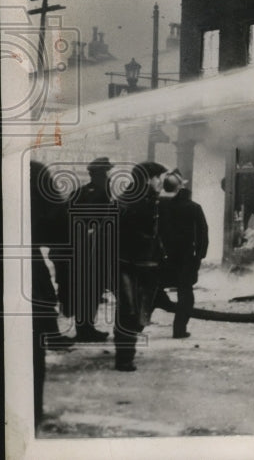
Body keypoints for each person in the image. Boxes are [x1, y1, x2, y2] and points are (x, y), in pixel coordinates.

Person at [114, 161, 168, 372]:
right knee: (129, 312)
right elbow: (130, 234)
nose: (162, 183)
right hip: (129, 265)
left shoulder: (144, 199)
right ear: (148, 179)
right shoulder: (134, 201)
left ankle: (125, 353)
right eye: (159, 179)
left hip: (142, 264)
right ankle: (124, 358)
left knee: (136, 312)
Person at [57, 156, 115, 342]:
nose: (111, 176)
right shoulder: (100, 192)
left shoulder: (80, 191)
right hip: (89, 250)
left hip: (78, 249)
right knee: (91, 289)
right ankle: (86, 329)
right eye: (108, 172)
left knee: (87, 290)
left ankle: (86, 327)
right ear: (102, 174)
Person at [30, 161, 67, 427]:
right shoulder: (31, 170)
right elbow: (55, 227)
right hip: (24, 270)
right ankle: (30, 412)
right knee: (31, 345)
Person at [159, 170, 209, 339]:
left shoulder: (158, 206)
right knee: (185, 295)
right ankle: (179, 329)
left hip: (162, 258)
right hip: (186, 258)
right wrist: (199, 257)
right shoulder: (193, 207)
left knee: (153, 292)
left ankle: (136, 327)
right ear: (181, 187)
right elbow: (203, 235)